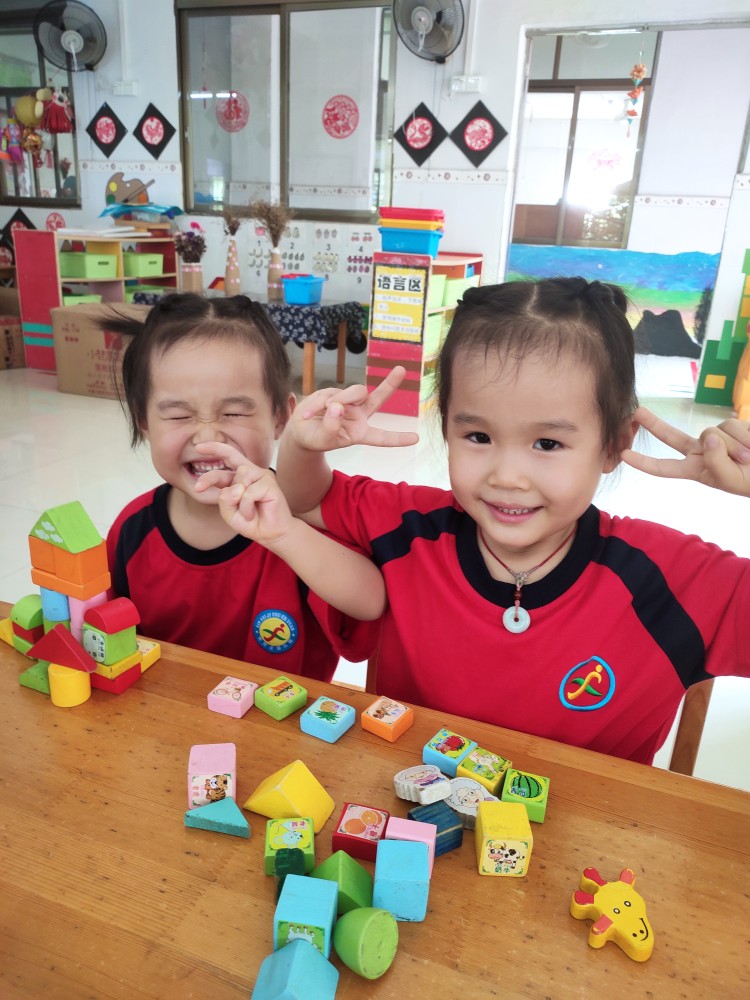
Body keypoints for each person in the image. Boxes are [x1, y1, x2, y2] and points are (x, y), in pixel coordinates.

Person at [206, 277, 750, 766]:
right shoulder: (411, 525)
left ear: (613, 445)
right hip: (405, 825)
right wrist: (302, 446)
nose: (506, 476)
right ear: (446, 427)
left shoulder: (668, 578)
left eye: (547, 443)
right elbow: (308, 500)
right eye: (478, 436)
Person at [104, 293, 384, 681]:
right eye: (179, 415)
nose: (207, 437)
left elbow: (371, 603)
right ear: (143, 421)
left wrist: (288, 535)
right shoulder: (132, 530)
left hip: (280, 717)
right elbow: (108, 635)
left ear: (280, 417)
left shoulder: (299, 517)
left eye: (234, 412)